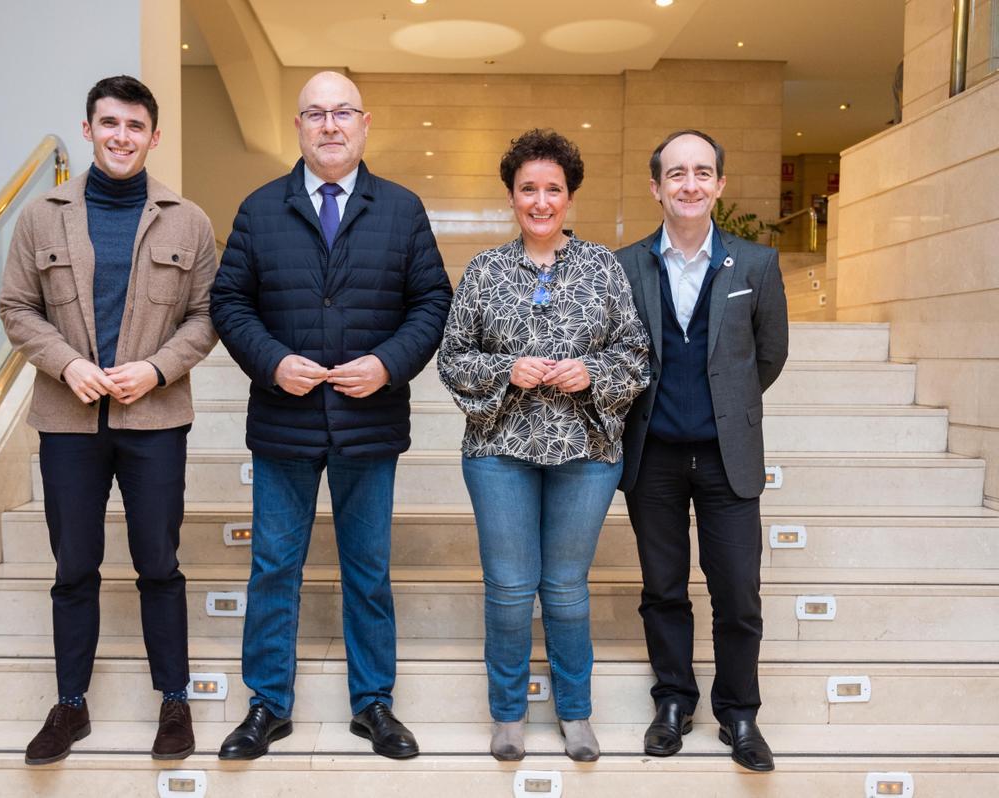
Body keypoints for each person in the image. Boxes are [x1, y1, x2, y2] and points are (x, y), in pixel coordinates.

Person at [210, 71, 451, 761]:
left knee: (367, 570)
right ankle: (267, 706)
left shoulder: (402, 210)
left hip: (368, 422)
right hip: (284, 423)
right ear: (298, 127)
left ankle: (374, 704)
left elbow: (432, 301)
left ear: (365, 123)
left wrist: (388, 363)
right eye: (314, 113)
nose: (330, 124)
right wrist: (271, 360)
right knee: (273, 566)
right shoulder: (259, 209)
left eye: (342, 111)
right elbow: (229, 302)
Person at [0, 75, 218, 764]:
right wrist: (68, 364)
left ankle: (174, 702)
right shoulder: (41, 216)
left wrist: (155, 370)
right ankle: (70, 707)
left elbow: (208, 315)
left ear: (155, 137)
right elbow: (16, 308)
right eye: (109, 123)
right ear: (89, 130)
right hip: (68, 421)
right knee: (74, 566)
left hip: (155, 420)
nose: (122, 136)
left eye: (135, 126)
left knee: (159, 562)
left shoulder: (190, 220)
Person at [438, 129, 649, 762]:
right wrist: (505, 370)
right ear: (511, 196)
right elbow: (452, 359)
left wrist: (594, 374)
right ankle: (507, 714)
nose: (540, 200)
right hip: (499, 448)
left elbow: (634, 353)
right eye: (528, 188)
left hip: (584, 453)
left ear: (570, 196)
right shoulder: (483, 270)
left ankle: (575, 713)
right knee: (508, 586)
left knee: (564, 587)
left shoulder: (604, 268)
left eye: (552, 189)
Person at [615, 129, 788, 772]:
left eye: (702, 173)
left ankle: (739, 715)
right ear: (656, 187)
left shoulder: (757, 264)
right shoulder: (624, 265)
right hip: (652, 455)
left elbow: (768, 355)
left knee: (738, 591)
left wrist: (725, 405)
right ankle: (672, 703)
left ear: (719, 184)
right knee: (663, 587)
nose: (690, 184)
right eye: (677, 174)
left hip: (727, 456)